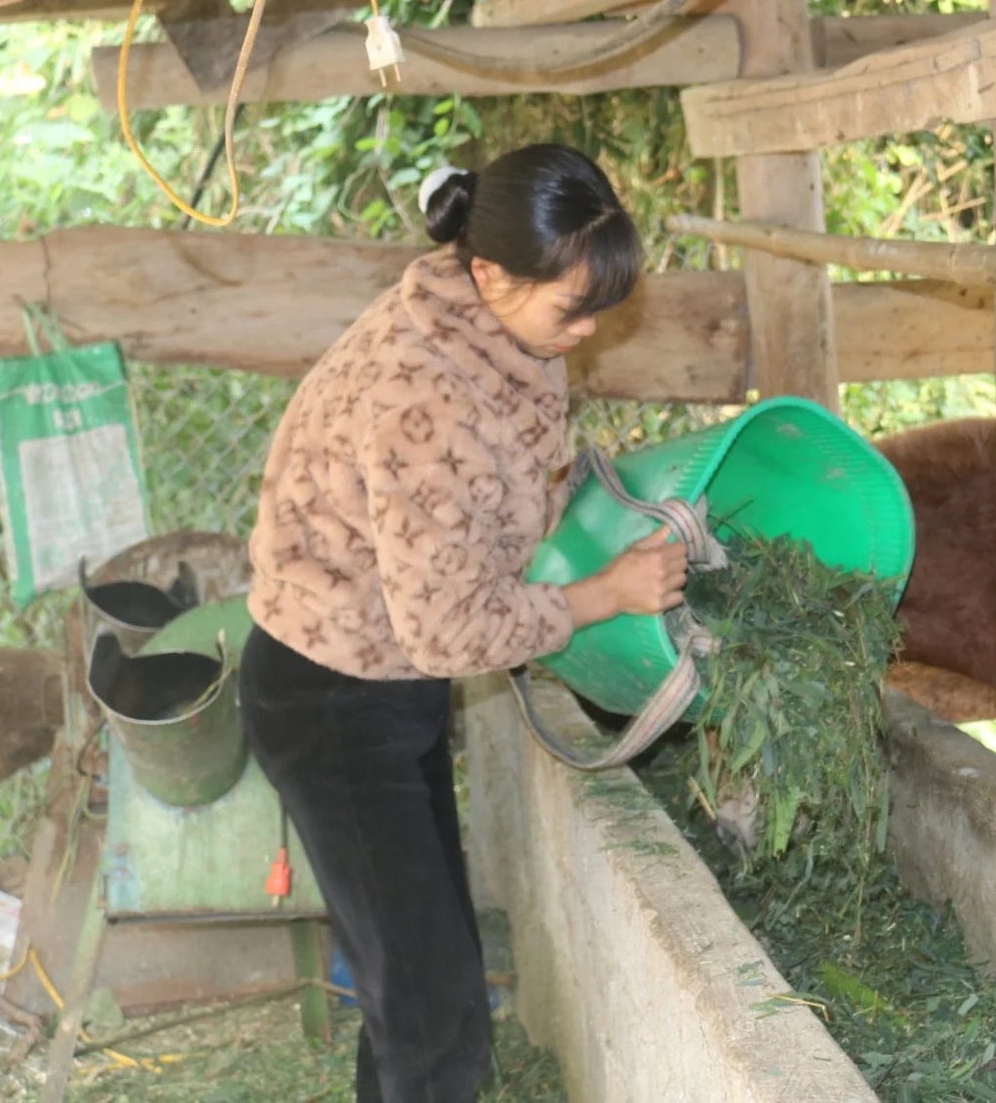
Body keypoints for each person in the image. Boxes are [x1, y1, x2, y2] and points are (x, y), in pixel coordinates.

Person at [240, 144, 689, 1102]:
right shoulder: (425, 391)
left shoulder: (487, 323)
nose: (591, 329)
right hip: (334, 704)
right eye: (575, 308)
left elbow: (492, 505)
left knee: (419, 987)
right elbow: (448, 629)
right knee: (439, 1021)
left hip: (380, 682)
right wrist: (603, 595)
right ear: (489, 273)